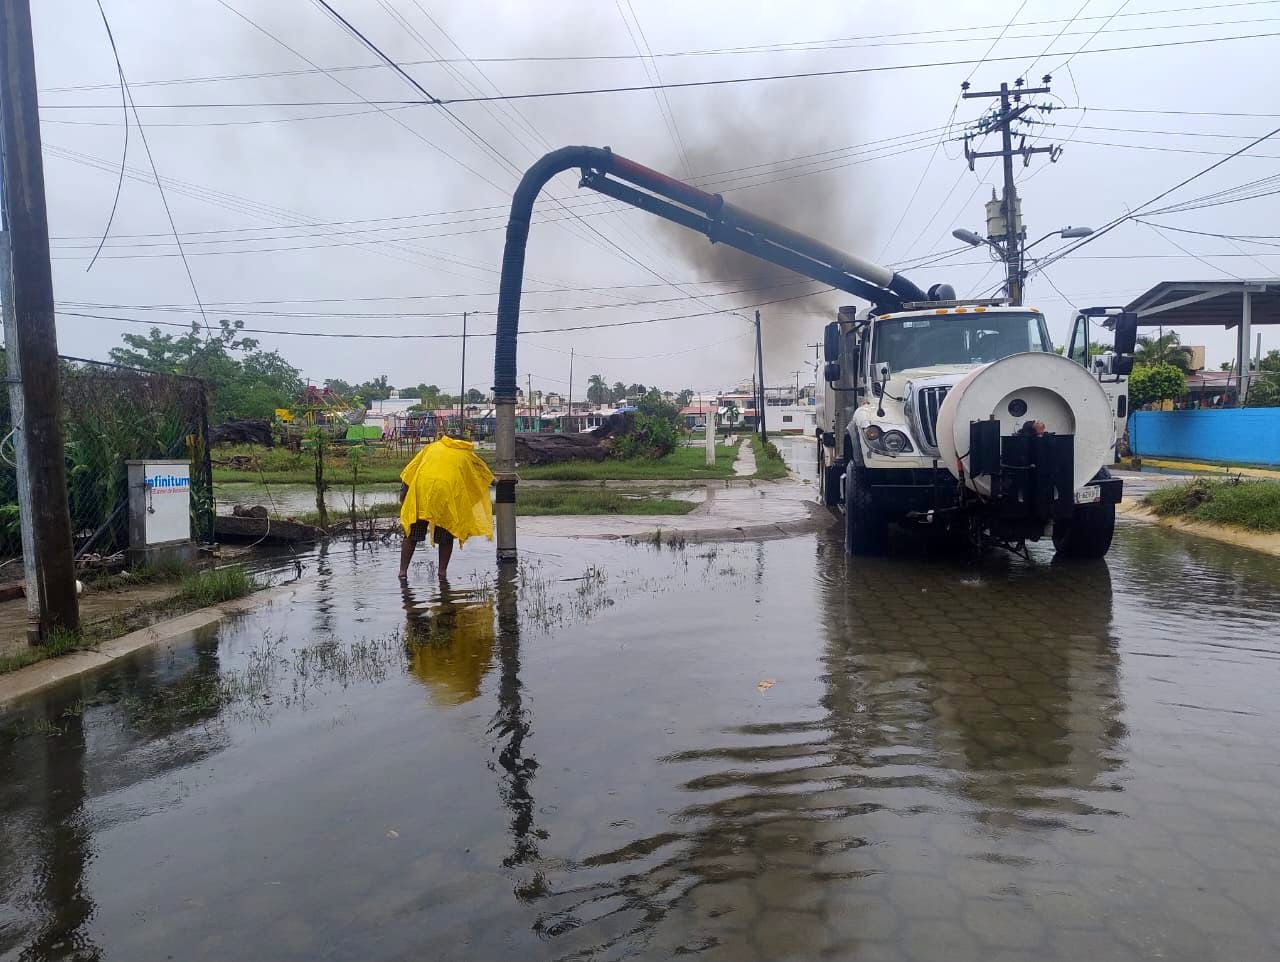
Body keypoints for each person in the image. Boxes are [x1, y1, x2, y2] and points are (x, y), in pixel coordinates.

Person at [398, 434, 494, 581]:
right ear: (463, 442)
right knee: (446, 533)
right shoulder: (466, 454)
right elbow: (484, 474)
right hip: (446, 495)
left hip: (422, 493)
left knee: (412, 533)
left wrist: (403, 495)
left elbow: (409, 472)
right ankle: (442, 573)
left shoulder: (431, 447)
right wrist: (497, 481)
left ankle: (402, 572)